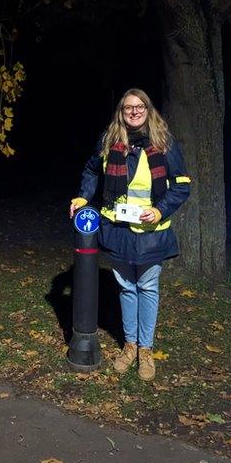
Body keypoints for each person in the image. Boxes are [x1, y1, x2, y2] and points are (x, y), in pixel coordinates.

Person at [68, 88, 191, 381]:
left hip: (150, 232)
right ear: (121, 113)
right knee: (125, 287)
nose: (134, 112)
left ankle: (146, 350)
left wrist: (160, 211)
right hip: (119, 230)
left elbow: (182, 185)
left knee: (147, 288)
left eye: (139, 107)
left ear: (148, 110)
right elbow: (91, 170)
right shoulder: (110, 141)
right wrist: (84, 197)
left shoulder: (164, 142)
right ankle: (130, 346)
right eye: (128, 108)